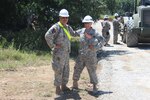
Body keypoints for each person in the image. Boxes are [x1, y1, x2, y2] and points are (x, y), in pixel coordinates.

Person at [45, 9, 77, 95]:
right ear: (60, 18)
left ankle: (64, 86)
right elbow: (47, 36)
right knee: (58, 70)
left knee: (66, 70)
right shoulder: (56, 27)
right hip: (58, 54)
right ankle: (57, 88)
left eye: (66, 18)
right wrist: (53, 45)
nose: (65, 19)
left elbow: (73, 34)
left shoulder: (67, 27)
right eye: (63, 17)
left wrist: (84, 31)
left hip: (66, 54)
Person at [72, 15, 105, 93]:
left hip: (91, 56)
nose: (86, 24)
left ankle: (94, 87)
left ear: (91, 23)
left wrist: (95, 47)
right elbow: (73, 33)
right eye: (85, 23)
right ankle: (75, 84)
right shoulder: (82, 31)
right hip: (81, 56)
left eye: (88, 23)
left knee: (92, 71)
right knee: (77, 69)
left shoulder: (95, 32)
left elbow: (103, 41)